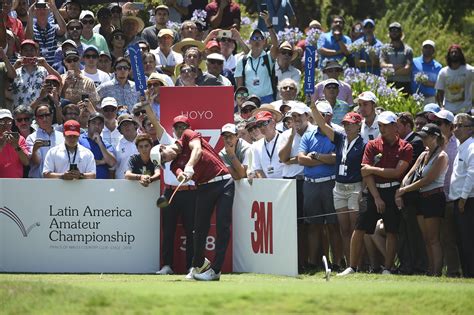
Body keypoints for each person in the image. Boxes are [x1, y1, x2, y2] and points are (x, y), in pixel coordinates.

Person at [338, 111, 413, 276]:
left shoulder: (405, 147)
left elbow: (396, 172)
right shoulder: (372, 145)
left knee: (392, 230)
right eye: (380, 126)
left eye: (386, 125)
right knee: (359, 228)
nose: (382, 128)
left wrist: (372, 169)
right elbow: (366, 174)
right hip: (373, 191)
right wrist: (377, 197)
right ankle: (352, 267)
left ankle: (387, 268)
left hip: (393, 191)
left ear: (395, 126)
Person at [156, 127, 234, 281]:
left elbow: (197, 149)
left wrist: (190, 166)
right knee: (198, 230)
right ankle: (198, 265)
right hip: (204, 188)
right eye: (163, 161)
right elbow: (179, 174)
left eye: (163, 156)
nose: (166, 160)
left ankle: (216, 270)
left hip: (224, 182)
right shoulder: (173, 164)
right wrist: (183, 175)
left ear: (163, 147)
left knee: (222, 226)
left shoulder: (186, 135)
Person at [311, 101, 365, 269]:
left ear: (358, 126)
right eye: (345, 124)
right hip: (339, 187)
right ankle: (349, 265)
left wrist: (363, 190)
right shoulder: (340, 139)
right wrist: (312, 107)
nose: (347, 127)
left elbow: (365, 169)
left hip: (355, 187)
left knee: (355, 229)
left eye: (351, 124)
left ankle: (357, 265)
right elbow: (322, 124)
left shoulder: (364, 145)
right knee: (344, 229)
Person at [395, 123, 448, 276]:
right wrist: (402, 189)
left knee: (433, 239)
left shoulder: (441, 156)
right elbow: (410, 173)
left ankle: (436, 271)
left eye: (426, 137)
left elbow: (428, 180)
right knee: (425, 238)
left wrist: (403, 190)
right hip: (421, 198)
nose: (423, 140)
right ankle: (430, 269)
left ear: (435, 137)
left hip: (434, 198)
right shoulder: (423, 154)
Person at [297, 101, 340, 270]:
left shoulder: (336, 134)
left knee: (332, 225)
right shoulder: (308, 135)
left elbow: (335, 159)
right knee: (314, 226)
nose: (318, 117)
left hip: (329, 183)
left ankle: (337, 262)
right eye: (316, 114)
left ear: (329, 116)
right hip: (311, 185)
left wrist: (314, 156)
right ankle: (313, 262)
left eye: (321, 114)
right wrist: (323, 158)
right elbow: (301, 159)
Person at [278, 102, 316, 272]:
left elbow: (308, 158)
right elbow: (282, 158)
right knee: (291, 225)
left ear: (307, 116)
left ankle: (307, 261)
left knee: (306, 224)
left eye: (299, 116)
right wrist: (292, 135)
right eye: (293, 116)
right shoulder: (286, 134)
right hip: (289, 182)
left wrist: (293, 160)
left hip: (306, 181)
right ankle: (294, 262)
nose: (296, 119)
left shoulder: (314, 132)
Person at [395, 112, 427, 274]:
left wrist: (400, 192)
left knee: (412, 233)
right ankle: (406, 265)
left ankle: (416, 266)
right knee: (404, 232)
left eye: (398, 125)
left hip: (411, 196)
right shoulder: (401, 142)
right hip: (403, 193)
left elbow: (408, 170)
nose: (395, 128)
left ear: (407, 126)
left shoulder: (415, 142)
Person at [432, 109, 461, 277]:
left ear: (451, 126)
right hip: (440, 196)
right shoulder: (437, 143)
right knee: (443, 237)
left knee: (454, 237)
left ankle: (456, 271)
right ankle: (447, 270)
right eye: (435, 123)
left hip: (454, 196)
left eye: (440, 123)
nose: (437, 126)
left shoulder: (459, 144)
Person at [235, 11, 279, 103]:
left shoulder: (268, 57)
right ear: (250, 42)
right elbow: (240, 86)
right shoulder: (242, 61)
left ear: (264, 41)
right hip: (250, 101)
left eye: (259, 38)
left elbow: (276, 45)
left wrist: (268, 22)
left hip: (267, 99)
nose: (257, 41)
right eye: (254, 38)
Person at [449, 113, 474, 277]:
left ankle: (471, 274)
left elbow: (472, 175)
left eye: (460, 126)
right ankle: (467, 274)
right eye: (455, 125)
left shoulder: (471, 147)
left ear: (470, 129)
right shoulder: (462, 146)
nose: (456, 129)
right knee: (461, 240)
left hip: (467, 201)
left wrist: (463, 199)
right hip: (459, 201)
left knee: (468, 241)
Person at [12, 40, 60, 108]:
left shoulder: (43, 70)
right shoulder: (15, 71)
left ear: (36, 52)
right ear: (21, 53)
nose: (29, 52)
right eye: (25, 50)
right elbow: (3, 82)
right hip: (21, 115)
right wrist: (15, 65)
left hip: (41, 114)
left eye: (32, 50)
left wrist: (45, 64)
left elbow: (59, 81)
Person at [26, 104, 65, 178]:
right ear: (36, 119)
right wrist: (34, 150)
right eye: (41, 116)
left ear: (52, 115)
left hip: (59, 180)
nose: (44, 119)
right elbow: (36, 163)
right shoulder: (31, 138)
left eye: (47, 115)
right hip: (38, 181)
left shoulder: (62, 136)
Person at [435, 45, 473, 115]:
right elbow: (439, 91)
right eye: (452, 52)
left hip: (466, 110)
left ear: (460, 54)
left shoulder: (469, 70)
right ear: (448, 55)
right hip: (449, 111)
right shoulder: (443, 72)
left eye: (456, 52)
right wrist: (441, 107)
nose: (454, 54)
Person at [25, 0, 66, 65]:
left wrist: (55, 10)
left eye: (44, 8)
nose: (42, 11)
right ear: (35, 12)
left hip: (54, 66)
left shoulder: (54, 27)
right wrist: (30, 14)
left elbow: (63, 29)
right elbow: (28, 37)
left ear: (48, 11)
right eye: (39, 9)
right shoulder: (32, 28)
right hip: (39, 66)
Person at [79, 112, 116, 179]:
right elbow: (78, 161)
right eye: (94, 123)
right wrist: (101, 162)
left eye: (100, 124)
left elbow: (112, 163)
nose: (97, 126)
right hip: (84, 183)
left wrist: (100, 143)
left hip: (102, 184)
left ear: (103, 127)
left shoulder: (106, 144)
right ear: (88, 124)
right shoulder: (79, 140)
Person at [250, 111, 285, 179]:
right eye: (259, 125)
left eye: (264, 123)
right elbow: (258, 169)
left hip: (286, 184)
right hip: (268, 185)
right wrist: (267, 185)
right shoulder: (256, 146)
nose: (262, 127)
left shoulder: (285, 139)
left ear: (273, 123)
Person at [380, 22, 413, 94]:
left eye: (397, 30)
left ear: (401, 33)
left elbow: (407, 69)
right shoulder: (384, 49)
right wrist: (396, 66)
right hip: (388, 83)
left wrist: (391, 72)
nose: (394, 33)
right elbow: (382, 65)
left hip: (404, 84)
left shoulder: (407, 50)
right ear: (389, 33)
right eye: (392, 31)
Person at [0, 109, 29, 178]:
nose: (6, 124)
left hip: (16, 183)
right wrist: (1, 145)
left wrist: (16, 146)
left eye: (9, 121)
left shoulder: (20, 138)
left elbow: (26, 162)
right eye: (2, 121)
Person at [411, 40, 442, 105]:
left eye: (430, 48)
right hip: (415, 97)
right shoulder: (414, 62)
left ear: (433, 51)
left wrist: (429, 83)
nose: (427, 49)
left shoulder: (438, 66)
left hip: (430, 99)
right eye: (425, 47)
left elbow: (440, 85)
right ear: (422, 49)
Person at [114, 113, 139, 179]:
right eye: (123, 125)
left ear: (135, 125)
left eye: (129, 124)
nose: (126, 126)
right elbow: (113, 168)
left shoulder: (145, 140)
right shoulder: (116, 145)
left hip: (143, 182)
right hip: (122, 183)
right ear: (120, 130)